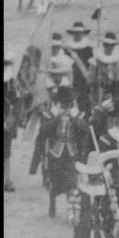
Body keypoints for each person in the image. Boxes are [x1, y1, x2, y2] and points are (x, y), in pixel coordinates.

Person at [31, 86, 87, 218]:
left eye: (68, 103)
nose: (66, 106)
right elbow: (44, 130)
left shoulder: (76, 114)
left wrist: (73, 119)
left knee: (72, 180)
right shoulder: (51, 113)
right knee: (55, 179)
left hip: (71, 151)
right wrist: (58, 118)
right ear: (59, 103)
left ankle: (71, 207)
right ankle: (52, 205)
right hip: (55, 151)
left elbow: (84, 129)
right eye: (64, 103)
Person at [64, 21, 95, 115]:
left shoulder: (89, 49)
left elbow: (91, 66)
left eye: (80, 33)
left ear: (83, 34)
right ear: (73, 34)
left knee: (85, 106)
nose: (78, 35)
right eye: (75, 33)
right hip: (71, 81)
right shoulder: (67, 50)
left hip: (84, 82)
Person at [91, 31, 119, 108]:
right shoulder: (96, 60)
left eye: (112, 45)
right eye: (107, 45)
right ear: (103, 45)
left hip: (116, 92)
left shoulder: (118, 60)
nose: (109, 47)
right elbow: (91, 78)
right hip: (101, 93)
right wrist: (96, 82)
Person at [4, 52, 17, 193]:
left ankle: (7, 180)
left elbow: (15, 101)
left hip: (6, 119)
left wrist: (10, 117)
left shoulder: (11, 83)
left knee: (6, 151)